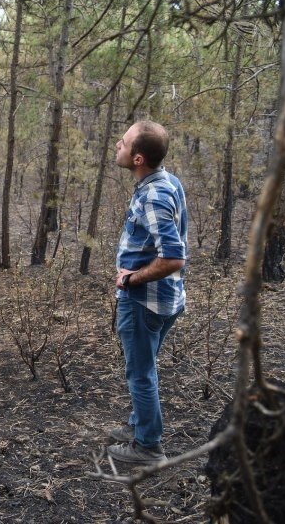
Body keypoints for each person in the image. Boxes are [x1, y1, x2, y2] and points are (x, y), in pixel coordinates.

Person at [107, 120, 188, 465]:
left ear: (138, 158)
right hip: (165, 299)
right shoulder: (164, 182)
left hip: (146, 301)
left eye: (123, 143)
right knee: (144, 367)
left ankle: (148, 447)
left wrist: (131, 280)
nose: (117, 145)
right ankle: (141, 425)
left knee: (140, 372)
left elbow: (173, 258)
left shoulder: (154, 194)